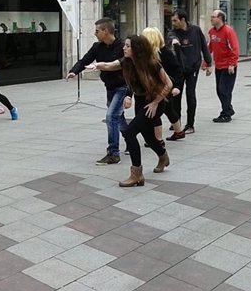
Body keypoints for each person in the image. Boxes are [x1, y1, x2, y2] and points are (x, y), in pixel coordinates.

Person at [93, 35, 173, 187]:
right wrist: (96, 66)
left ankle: (137, 174)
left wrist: (156, 102)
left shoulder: (152, 63)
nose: (124, 48)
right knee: (148, 137)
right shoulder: (127, 62)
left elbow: (168, 84)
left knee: (130, 133)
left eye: (127, 46)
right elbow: (110, 66)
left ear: (136, 49)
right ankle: (163, 156)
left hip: (156, 102)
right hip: (141, 102)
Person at [66, 18, 127, 165]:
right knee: (118, 118)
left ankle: (113, 153)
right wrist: (74, 72)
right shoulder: (97, 47)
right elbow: (84, 61)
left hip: (123, 86)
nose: (95, 34)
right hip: (110, 87)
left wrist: (102, 66)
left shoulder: (123, 46)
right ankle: (131, 138)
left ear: (106, 31)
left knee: (111, 116)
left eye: (97, 31)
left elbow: (122, 64)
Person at [167, 9, 212, 134]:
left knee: (190, 94)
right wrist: (174, 41)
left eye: (175, 20)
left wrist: (208, 63)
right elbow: (170, 37)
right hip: (179, 69)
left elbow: (204, 46)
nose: (173, 23)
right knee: (176, 95)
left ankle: (190, 124)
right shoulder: (173, 32)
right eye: (172, 21)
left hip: (193, 67)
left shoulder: (196, 30)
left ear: (183, 20)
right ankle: (177, 122)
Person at [141, 26, 185, 143]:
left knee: (156, 113)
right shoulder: (148, 54)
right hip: (156, 87)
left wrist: (176, 87)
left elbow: (177, 70)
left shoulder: (165, 53)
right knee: (169, 110)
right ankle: (178, 132)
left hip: (164, 87)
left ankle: (158, 140)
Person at [207, 10, 239, 122]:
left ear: (220, 18)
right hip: (219, 65)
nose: (211, 19)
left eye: (213, 17)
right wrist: (206, 63)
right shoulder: (211, 31)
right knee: (219, 90)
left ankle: (226, 114)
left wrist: (232, 64)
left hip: (228, 66)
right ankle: (228, 109)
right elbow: (209, 48)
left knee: (224, 90)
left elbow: (234, 48)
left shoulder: (228, 31)